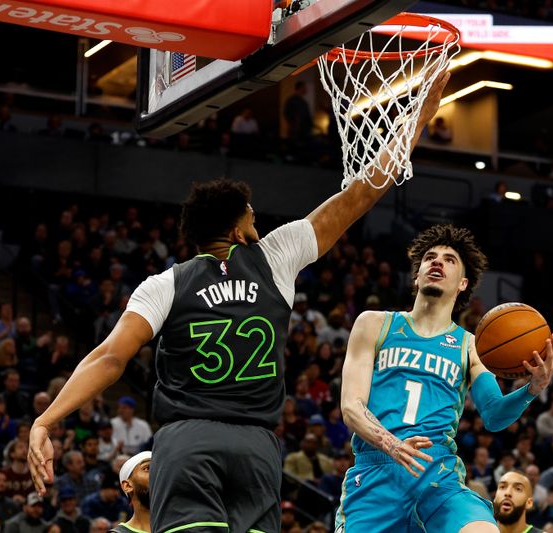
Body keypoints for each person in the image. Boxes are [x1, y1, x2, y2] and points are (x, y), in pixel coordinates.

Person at [28, 71, 451, 533]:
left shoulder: (164, 284)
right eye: (251, 213)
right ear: (235, 230)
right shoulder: (276, 257)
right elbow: (363, 192)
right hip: (255, 447)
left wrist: (46, 421)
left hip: (187, 442)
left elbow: (110, 359)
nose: (258, 217)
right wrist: (416, 120)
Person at [337, 224, 553, 532]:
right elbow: (351, 407)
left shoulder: (470, 346)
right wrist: (391, 443)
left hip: (436, 473)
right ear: (417, 275)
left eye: (449, 259)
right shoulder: (375, 324)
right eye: (430, 257)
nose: (437, 262)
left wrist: (532, 389)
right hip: (376, 470)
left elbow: (493, 415)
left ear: (463, 283)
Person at [109, 451, 151, 533]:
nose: (157, 474)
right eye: (147, 468)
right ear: (127, 486)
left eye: (160, 470)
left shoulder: (181, 526)